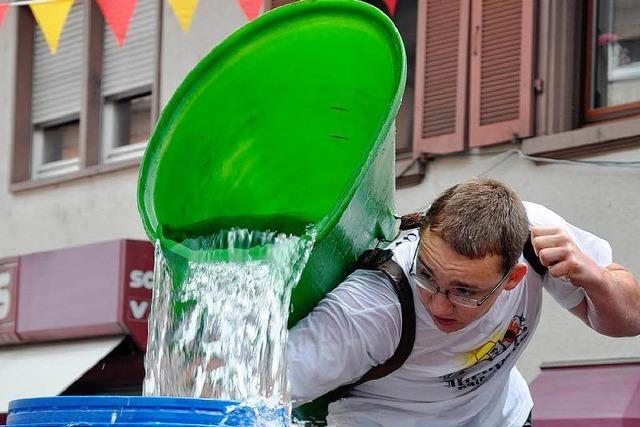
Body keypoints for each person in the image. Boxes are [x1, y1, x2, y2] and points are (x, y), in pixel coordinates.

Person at [286, 177, 640, 426]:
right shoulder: (373, 307)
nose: (438, 306)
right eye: (426, 275)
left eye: (464, 292)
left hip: (502, 418)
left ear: (512, 280)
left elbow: (630, 322)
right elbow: (258, 390)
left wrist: (594, 277)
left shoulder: (536, 243)